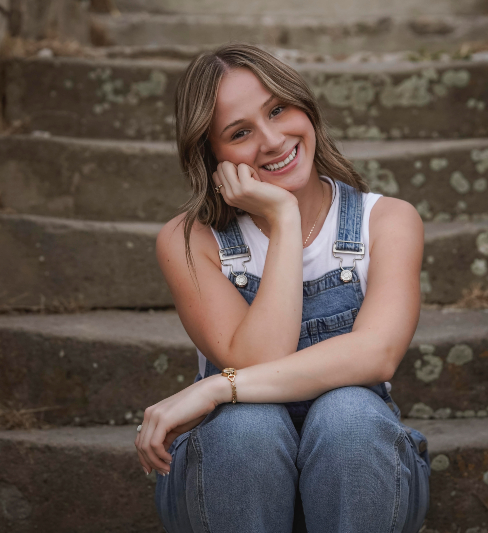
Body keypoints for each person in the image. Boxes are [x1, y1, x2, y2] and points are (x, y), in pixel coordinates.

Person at [134, 43, 431, 533]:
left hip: (361, 482)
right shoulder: (190, 241)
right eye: (240, 132)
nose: (272, 140)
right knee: (245, 424)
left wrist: (213, 388)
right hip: (232, 484)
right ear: (212, 155)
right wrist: (284, 220)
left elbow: (376, 355)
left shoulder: (388, 221)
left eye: (278, 109)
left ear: (304, 105)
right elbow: (258, 358)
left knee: (351, 414)